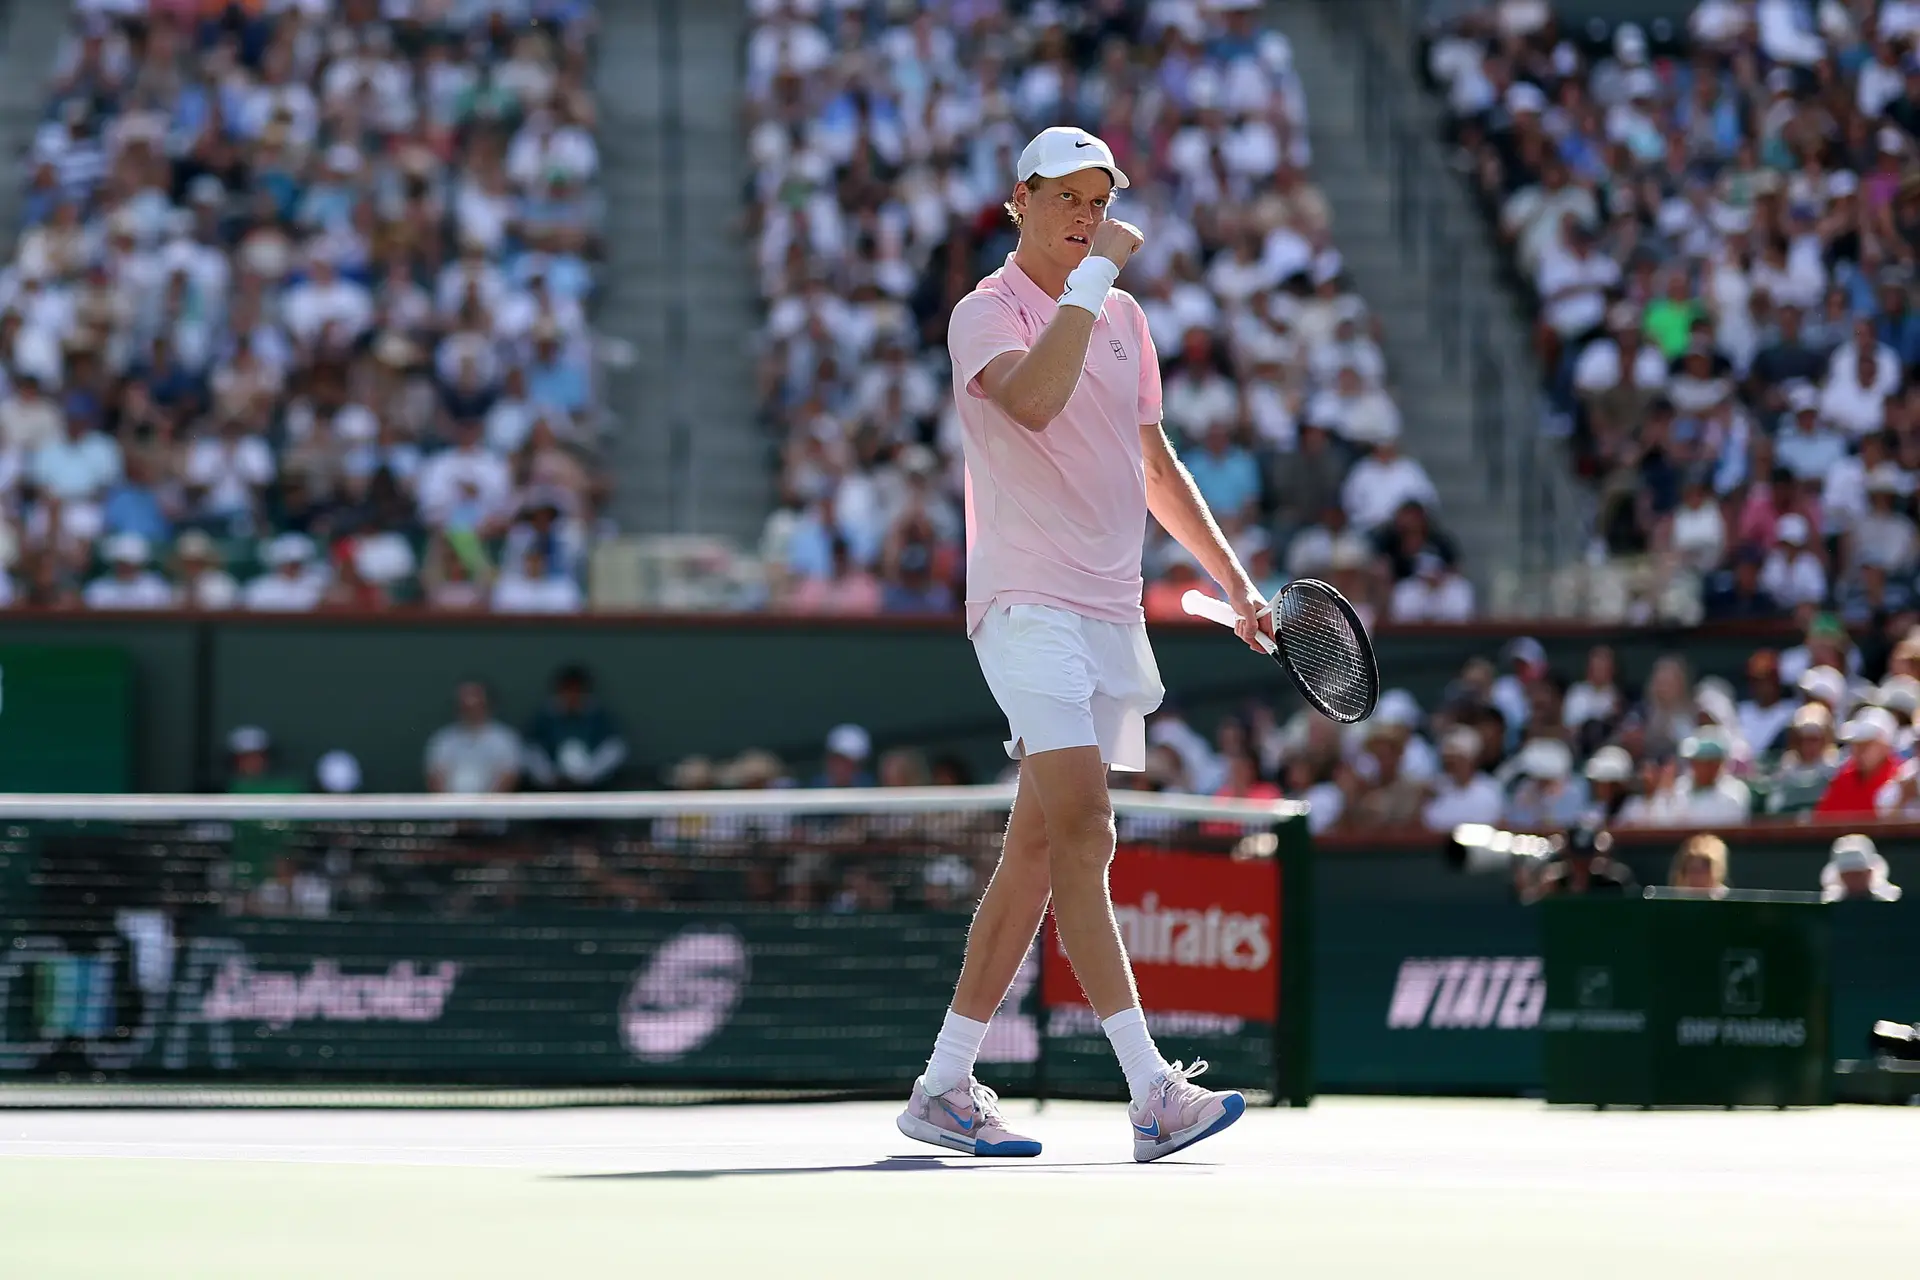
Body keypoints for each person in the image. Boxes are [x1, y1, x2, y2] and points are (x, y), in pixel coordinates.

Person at [898, 127, 1257, 1164]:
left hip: (1111, 612)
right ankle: (1152, 1092)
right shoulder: (984, 312)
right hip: (1026, 606)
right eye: (1067, 196)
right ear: (1021, 200)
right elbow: (1032, 400)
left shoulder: (1126, 317)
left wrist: (1235, 582)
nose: (1087, 215)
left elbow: (1154, 466)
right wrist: (1095, 277)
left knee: (1037, 854)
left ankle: (942, 1085)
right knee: (1088, 833)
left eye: (1100, 200)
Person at [522, 665, 627, 792]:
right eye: (568, 690)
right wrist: (550, 777)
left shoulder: (598, 716)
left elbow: (614, 748)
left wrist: (586, 775)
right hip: (552, 780)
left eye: (577, 691)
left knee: (614, 748)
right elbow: (532, 748)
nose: (572, 695)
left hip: (591, 780)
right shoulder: (545, 717)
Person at [424, 681, 522, 794]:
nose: (471, 711)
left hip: (493, 803)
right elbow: (435, 777)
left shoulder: (505, 738)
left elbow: (509, 776)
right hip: (450, 803)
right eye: (465, 706)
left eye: (476, 705)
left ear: (487, 705)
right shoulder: (442, 739)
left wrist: (487, 802)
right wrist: (451, 803)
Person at [1820, 834, 1904, 902]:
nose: (1852, 880)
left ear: (1869, 872)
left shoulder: (1888, 900)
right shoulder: (1830, 903)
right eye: (1847, 875)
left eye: (1857, 874)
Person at [1669, 833, 1731, 898]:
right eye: (1693, 869)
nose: (1698, 876)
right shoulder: (1676, 898)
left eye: (1705, 868)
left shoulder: (1728, 898)